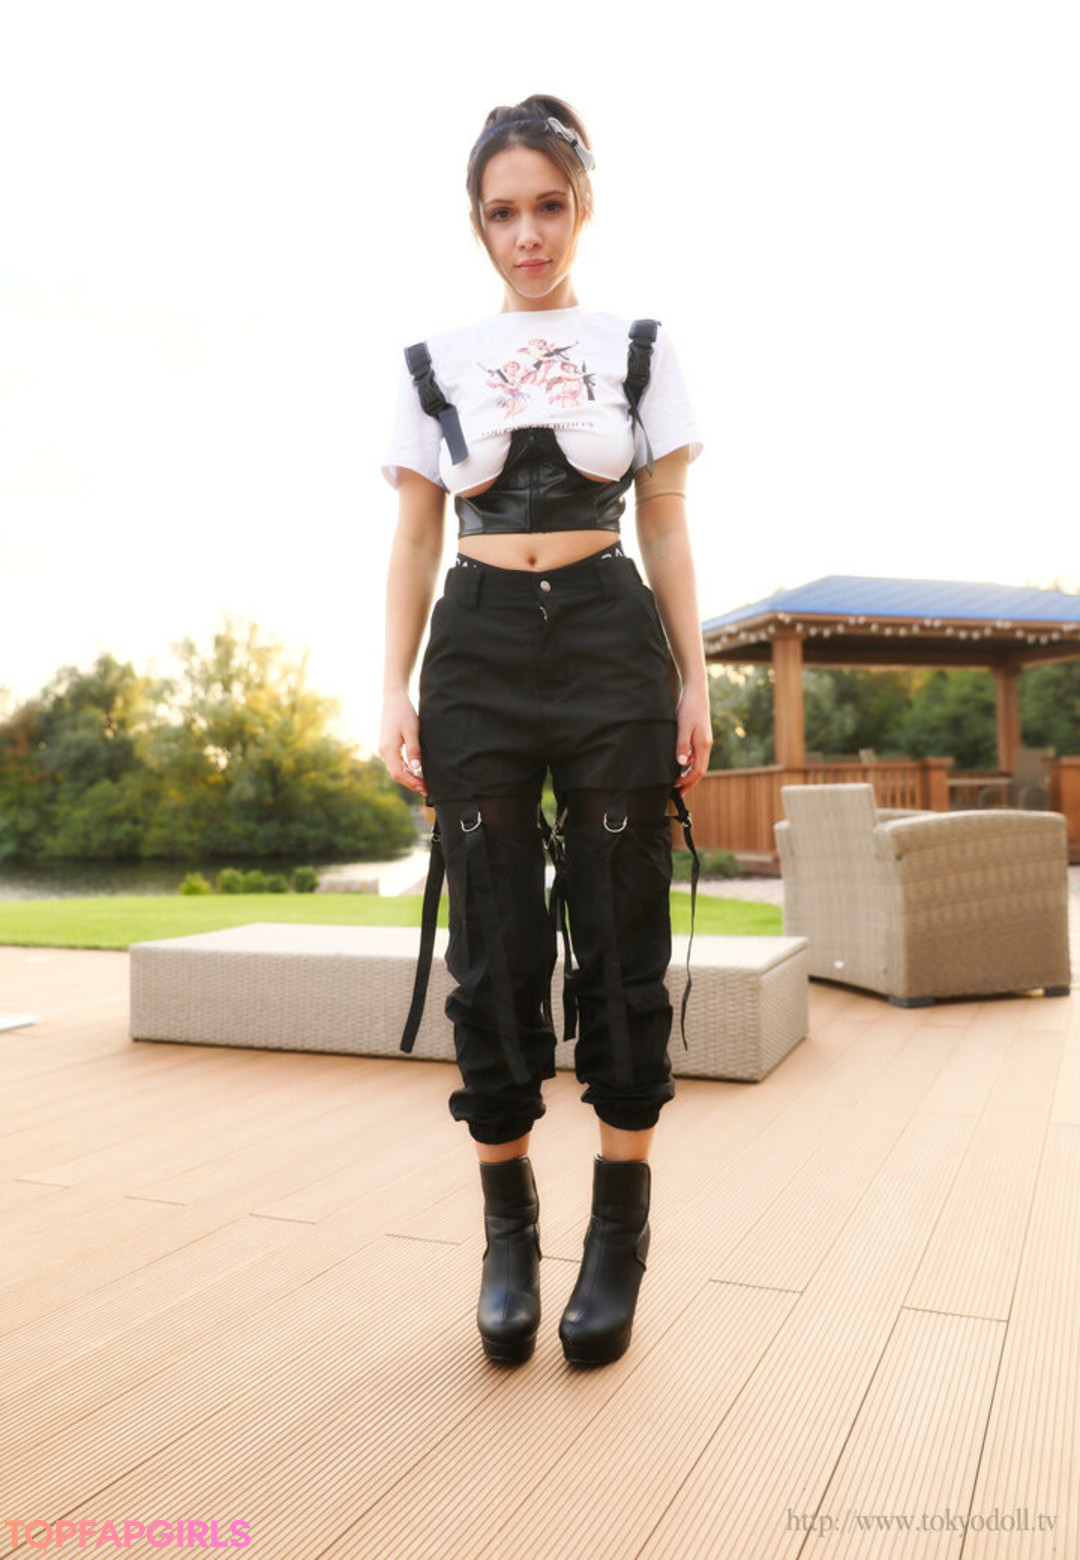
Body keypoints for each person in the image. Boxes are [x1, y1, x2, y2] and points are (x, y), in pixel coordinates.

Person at [379, 94, 710, 1368]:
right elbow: (415, 534)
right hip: (474, 648)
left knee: (622, 927)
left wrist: (693, 680)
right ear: (478, 223)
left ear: (583, 209)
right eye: (505, 212)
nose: (530, 233)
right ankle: (508, 1235)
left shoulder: (639, 346)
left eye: (550, 206)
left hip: (610, 639)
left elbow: (665, 519)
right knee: (495, 938)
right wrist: (392, 685)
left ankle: (617, 1235)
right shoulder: (435, 359)